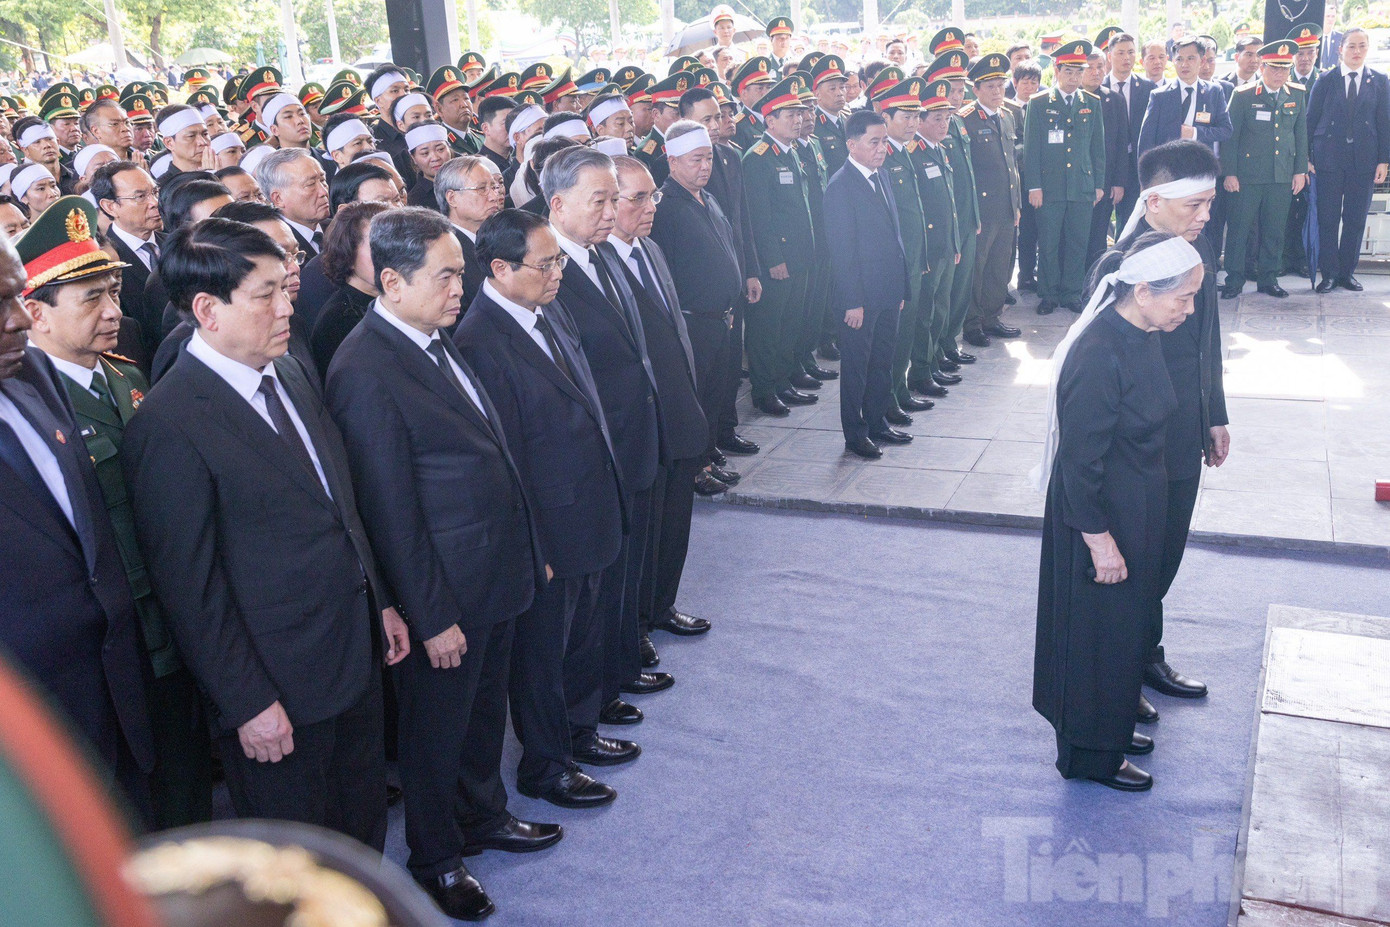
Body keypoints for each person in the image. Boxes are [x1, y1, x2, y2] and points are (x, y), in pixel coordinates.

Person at [123, 217, 410, 851]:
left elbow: (339, 501)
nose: (288, 307)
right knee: (298, 862)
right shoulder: (170, 423)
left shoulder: (290, 370)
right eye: (267, 294)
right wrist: (246, 702)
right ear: (207, 308)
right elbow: (190, 591)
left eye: (287, 287)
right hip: (275, 686)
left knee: (362, 832)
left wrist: (380, 598)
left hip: (352, 649)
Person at [326, 207, 560, 921]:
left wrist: (529, 551)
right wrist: (431, 615)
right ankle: (436, 857)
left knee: (484, 713)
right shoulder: (364, 366)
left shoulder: (433, 338)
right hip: (445, 595)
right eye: (446, 275)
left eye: (461, 273)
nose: (459, 289)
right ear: (391, 281)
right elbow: (389, 511)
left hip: (492, 573)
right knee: (434, 735)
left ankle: (482, 814)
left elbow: (489, 453)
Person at [22, 196, 211, 829]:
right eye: (91, 300)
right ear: (35, 314)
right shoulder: (30, 408)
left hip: (171, 617)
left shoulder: (126, 376)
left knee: (186, 775)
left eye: (113, 293)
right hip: (110, 639)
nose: (115, 312)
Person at [453, 208, 625, 810]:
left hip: (586, 505)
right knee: (541, 656)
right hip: (547, 525)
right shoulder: (478, 340)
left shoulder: (545, 307)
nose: (557, 272)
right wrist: (536, 545)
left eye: (558, 260)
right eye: (545, 263)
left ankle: (579, 733)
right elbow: (507, 459)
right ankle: (545, 765)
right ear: (499, 269)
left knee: (581, 635)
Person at [1033, 231, 1204, 793]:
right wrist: (1099, 540)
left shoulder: (1142, 333)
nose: (1190, 310)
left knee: (1123, 628)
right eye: (1182, 298)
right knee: (1096, 637)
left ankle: (1109, 728)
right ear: (1145, 291)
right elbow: (1080, 462)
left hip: (1136, 506)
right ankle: (1089, 754)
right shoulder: (1099, 352)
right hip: (1101, 516)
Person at [0, 200, 155, 808]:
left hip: (118, 684)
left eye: (20, 298)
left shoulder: (34, 376)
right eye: (3, 303)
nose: (20, 320)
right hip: (30, 725)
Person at [1091, 139, 1228, 711]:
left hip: (1183, 433)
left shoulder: (1196, 252)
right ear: (1152, 201)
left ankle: (1146, 654)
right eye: (1192, 205)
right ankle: (1120, 671)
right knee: (1136, 561)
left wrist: (1214, 415)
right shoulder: (1121, 267)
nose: (1204, 216)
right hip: (1138, 448)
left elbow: (1207, 344)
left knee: (1165, 556)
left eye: (1209, 204)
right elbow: (1099, 372)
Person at [544, 146, 666, 757]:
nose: (613, 209)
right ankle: (578, 718)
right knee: (584, 601)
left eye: (615, 197)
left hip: (630, 440)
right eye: (601, 199)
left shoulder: (599, 256)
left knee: (621, 580)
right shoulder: (545, 274)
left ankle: (613, 678)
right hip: (593, 457)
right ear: (557, 203)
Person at [823, 109, 909, 460]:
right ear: (852, 144)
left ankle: (877, 422)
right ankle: (855, 433)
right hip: (860, 297)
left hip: (888, 290)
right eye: (874, 142)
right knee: (857, 367)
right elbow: (842, 251)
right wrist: (852, 301)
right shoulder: (840, 186)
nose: (881, 148)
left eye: (884, 141)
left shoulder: (882, 176)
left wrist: (901, 288)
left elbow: (895, 237)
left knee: (882, 361)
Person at [742, 74, 817, 416]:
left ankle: (783, 381)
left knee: (791, 323)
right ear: (769, 120)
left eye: (799, 114)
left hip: (800, 255)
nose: (799, 119)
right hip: (779, 259)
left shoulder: (793, 153)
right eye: (790, 115)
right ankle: (765, 389)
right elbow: (759, 217)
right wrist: (773, 259)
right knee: (768, 329)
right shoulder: (758, 157)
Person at [1219, 41, 1308, 300]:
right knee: (1239, 229)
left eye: (1285, 69)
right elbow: (1230, 138)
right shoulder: (1244, 94)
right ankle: (1234, 279)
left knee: (1274, 229)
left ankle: (1269, 278)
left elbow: (1300, 135)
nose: (1280, 75)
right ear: (1263, 67)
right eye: (1274, 69)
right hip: (1247, 177)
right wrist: (1230, 173)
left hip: (1281, 175)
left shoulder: (1298, 93)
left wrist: (1299, 170)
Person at [1023, 40, 1106, 314]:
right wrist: (1034, 186)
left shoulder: (1091, 103)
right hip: (1049, 187)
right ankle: (1048, 294)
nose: (1074, 78)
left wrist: (1098, 185)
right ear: (1056, 72)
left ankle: (1071, 292)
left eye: (1078, 72)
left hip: (1081, 187)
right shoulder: (1039, 103)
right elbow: (1031, 149)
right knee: (1048, 243)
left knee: (1077, 242)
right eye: (1068, 71)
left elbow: (1098, 147)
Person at [1306, 27, 1390, 292]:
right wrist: (1307, 158)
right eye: (1351, 46)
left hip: (1363, 162)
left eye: (1362, 46)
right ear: (1340, 49)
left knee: (1355, 218)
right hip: (1328, 160)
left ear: (1367, 49)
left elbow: (1384, 123)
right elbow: (1310, 121)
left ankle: (1347, 273)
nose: (1357, 51)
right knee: (1328, 218)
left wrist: (1383, 160)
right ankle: (1328, 274)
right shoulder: (1325, 80)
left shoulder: (1380, 81)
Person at [960, 58, 1022, 340]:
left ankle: (992, 317)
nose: (997, 91)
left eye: (1001, 85)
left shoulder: (1007, 116)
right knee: (978, 267)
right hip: (982, 209)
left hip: (1006, 206)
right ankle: (972, 323)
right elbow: (966, 172)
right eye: (991, 86)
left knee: (1000, 265)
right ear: (977, 89)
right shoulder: (964, 120)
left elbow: (1012, 165)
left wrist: (1016, 203)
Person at [92, 161, 164, 362]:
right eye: (140, 196)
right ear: (110, 206)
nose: (154, 202)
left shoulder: (177, 244)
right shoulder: (106, 260)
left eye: (155, 192)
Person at [310, 201, 388, 376]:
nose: (391, 254)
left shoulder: (395, 299)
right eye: (377, 246)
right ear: (348, 252)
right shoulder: (339, 320)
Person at [1136, 37, 1232, 157]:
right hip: (1169, 169)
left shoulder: (1213, 92)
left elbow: (1226, 130)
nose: (1184, 64)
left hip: (1202, 168)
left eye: (1190, 58)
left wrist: (1194, 133)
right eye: (1179, 59)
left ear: (1202, 61)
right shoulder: (1159, 96)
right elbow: (1146, 141)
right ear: (1173, 61)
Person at [436, 155, 507, 311]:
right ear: (452, 198)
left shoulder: (500, 236)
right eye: (482, 189)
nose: (494, 197)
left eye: (494, 187)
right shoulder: (443, 252)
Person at [1083, 50, 1132, 272]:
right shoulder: (1071, 99)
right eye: (1089, 67)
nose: (1095, 72)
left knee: (1098, 234)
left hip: (1105, 180)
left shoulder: (1114, 100)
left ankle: (1094, 278)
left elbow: (1122, 144)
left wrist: (1119, 182)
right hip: (1076, 180)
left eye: (1100, 67)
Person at [1105, 33, 1157, 236]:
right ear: (1110, 56)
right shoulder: (1097, 89)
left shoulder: (1148, 88)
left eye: (1130, 52)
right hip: (1107, 166)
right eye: (1120, 53)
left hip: (1136, 165)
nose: (1126, 58)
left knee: (1130, 224)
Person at [255, 148, 330, 255]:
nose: (323, 191)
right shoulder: (275, 248)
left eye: (322, 180)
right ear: (278, 199)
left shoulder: (339, 229)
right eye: (310, 184)